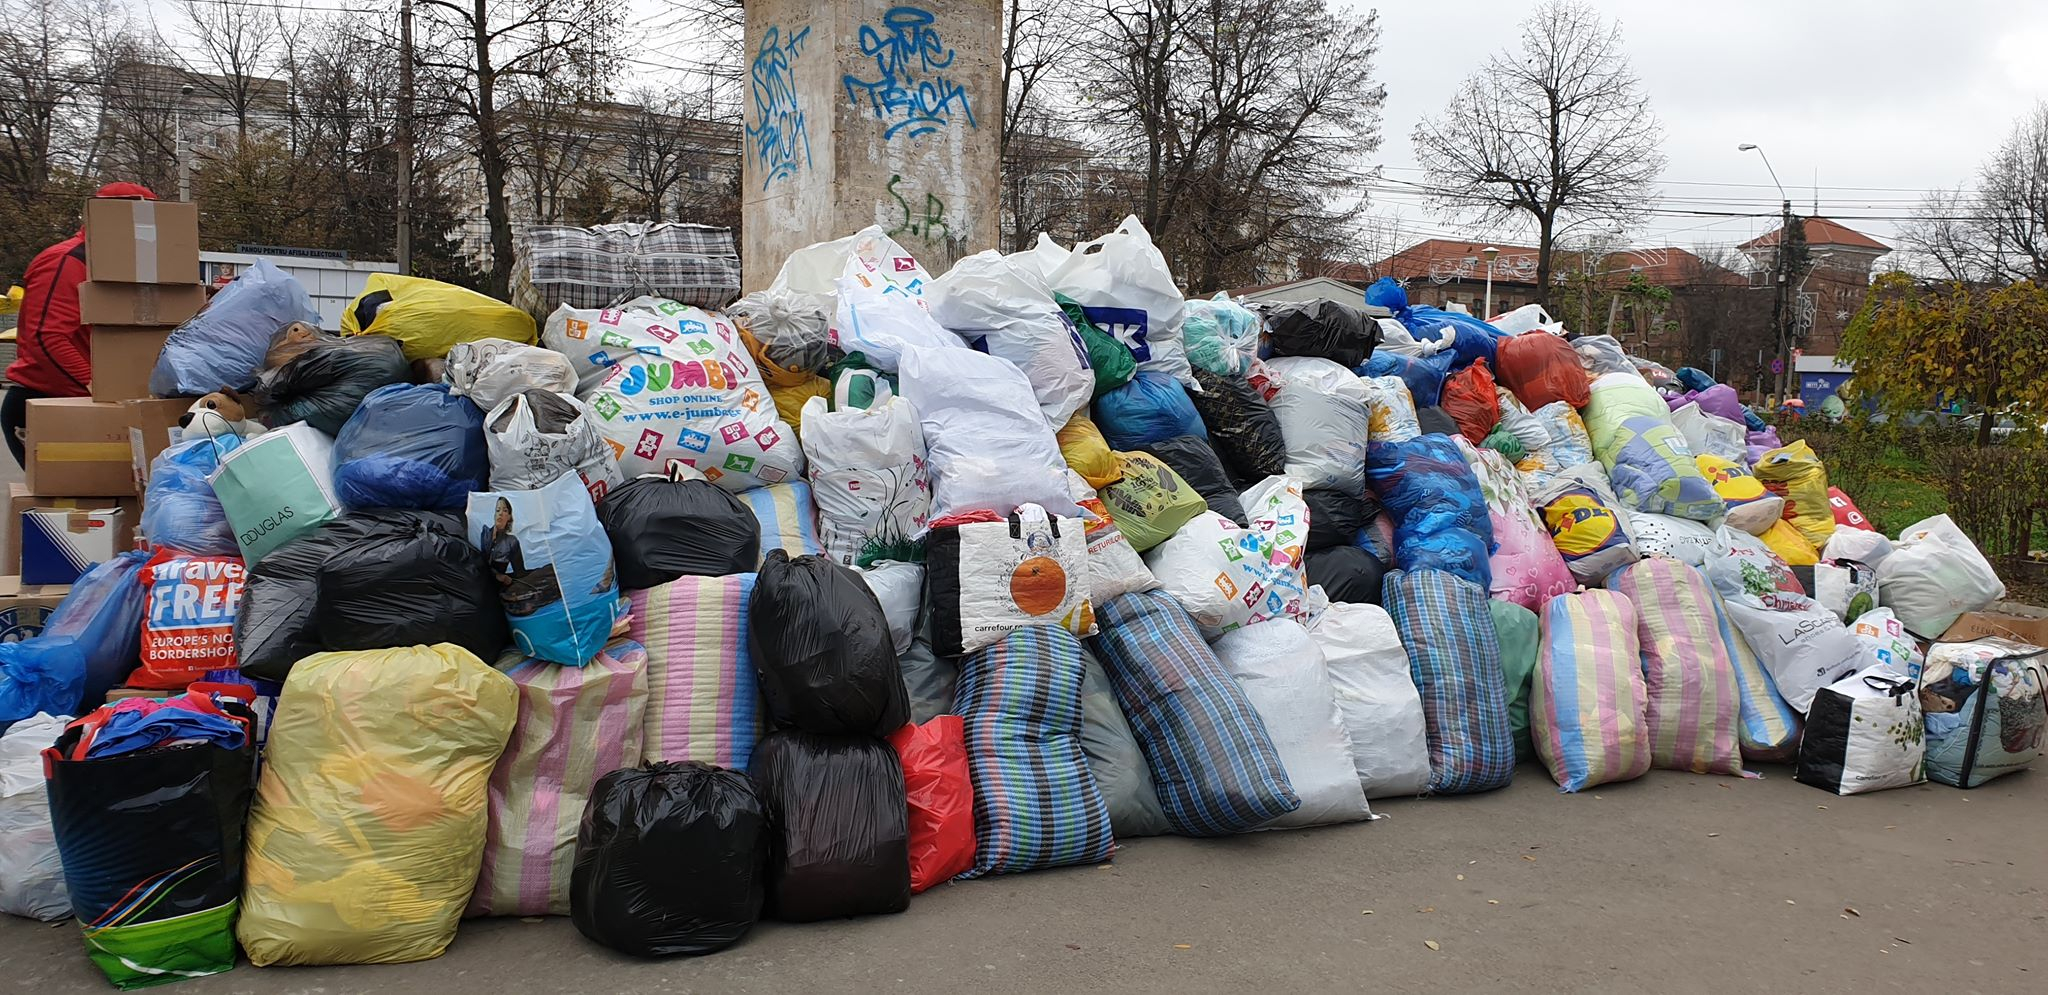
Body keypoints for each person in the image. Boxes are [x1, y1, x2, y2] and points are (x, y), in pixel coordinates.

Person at [2, 182, 160, 467]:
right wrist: (99, 388)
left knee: (117, 504)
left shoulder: (119, 265)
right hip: (54, 403)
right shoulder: (66, 261)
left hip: (93, 404)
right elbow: (47, 338)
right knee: (72, 508)